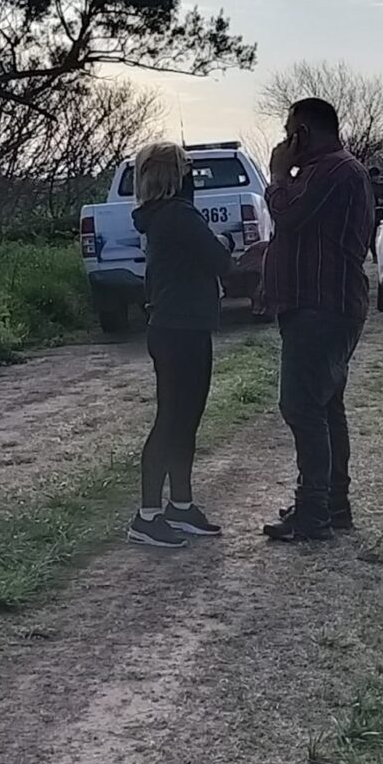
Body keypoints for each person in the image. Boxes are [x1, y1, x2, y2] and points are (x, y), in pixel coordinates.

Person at [262, 98, 374, 542]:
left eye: (290, 132)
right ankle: (331, 503)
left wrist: (275, 175)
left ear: (303, 133)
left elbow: (288, 214)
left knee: (302, 405)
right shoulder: (336, 171)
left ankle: (314, 512)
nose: (286, 141)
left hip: (321, 306)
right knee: (325, 406)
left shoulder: (333, 171)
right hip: (325, 304)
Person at [128, 142, 233, 548]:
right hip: (181, 327)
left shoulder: (158, 217)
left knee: (184, 418)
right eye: (187, 168)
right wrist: (223, 243)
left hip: (173, 324)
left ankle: (180, 504)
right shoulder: (179, 215)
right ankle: (148, 514)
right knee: (173, 419)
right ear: (175, 174)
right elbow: (218, 260)